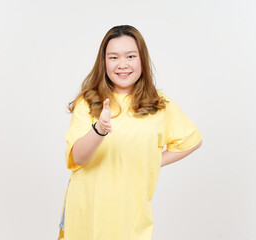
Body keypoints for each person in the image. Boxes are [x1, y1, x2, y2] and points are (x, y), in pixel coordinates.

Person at [57, 25, 203, 240]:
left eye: (131, 56)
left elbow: (191, 141)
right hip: (87, 215)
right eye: (113, 57)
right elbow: (78, 157)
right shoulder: (88, 102)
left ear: (142, 59)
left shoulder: (160, 105)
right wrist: (100, 129)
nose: (122, 65)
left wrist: (151, 160)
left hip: (132, 218)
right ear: (103, 62)